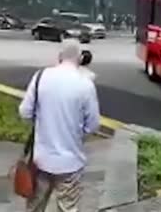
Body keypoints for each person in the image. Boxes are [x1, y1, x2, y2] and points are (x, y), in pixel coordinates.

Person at [19, 39, 100, 212]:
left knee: (35, 207)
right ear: (79, 58)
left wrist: (43, 120)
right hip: (71, 162)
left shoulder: (41, 76)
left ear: (59, 56)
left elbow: (25, 112)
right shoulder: (86, 84)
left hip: (41, 159)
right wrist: (77, 133)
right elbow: (93, 125)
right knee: (67, 208)